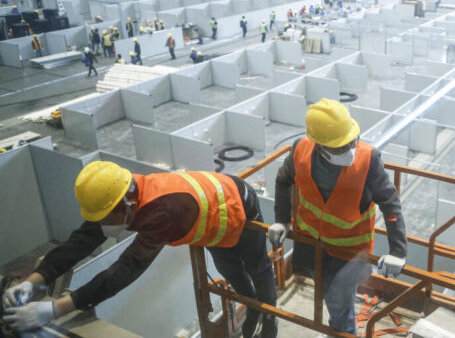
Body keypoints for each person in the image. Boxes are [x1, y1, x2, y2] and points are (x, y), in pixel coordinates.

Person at [1, 161, 278, 338]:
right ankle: (251, 305)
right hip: (214, 225)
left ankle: (268, 317)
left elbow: (127, 267)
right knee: (229, 268)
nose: (102, 226)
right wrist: (34, 280)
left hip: (238, 204)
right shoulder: (120, 192)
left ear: (126, 204)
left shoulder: (163, 211)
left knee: (257, 267)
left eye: (106, 218)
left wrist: (54, 310)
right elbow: (81, 240)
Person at [270, 99, 407, 335]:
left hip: (349, 252)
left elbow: (390, 204)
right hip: (311, 245)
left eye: (352, 140)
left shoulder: (368, 160)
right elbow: (283, 181)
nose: (350, 149)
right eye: (340, 147)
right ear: (320, 146)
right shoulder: (300, 151)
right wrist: (282, 220)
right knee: (331, 298)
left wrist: (398, 252)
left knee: (339, 309)